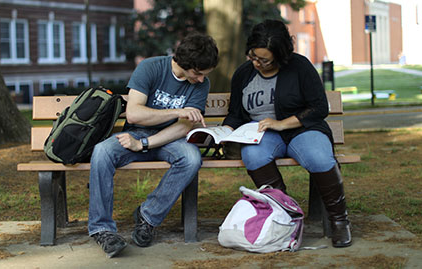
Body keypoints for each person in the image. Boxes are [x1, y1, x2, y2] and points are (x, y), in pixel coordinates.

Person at [222, 19, 352, 248]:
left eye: (264, 60)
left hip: (302, 129)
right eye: (253, 56)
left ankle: (339, 221)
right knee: (254, 156)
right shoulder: (243, 74)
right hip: (262, 134)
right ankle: (284, 215)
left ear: (280, 56)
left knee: (319, 157)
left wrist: (281, 124)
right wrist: (224, 131)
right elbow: (235, 114)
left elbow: (319, 107)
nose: (257, 64)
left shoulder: (299, 67)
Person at [88, 33, 218, 258]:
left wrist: (144, 144)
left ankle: (147, 217)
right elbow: (135, 113)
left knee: (191, 158)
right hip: (134, 133)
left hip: (168, 139)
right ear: (184, 63)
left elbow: (183, 128)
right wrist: (177, 111)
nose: (200, 80)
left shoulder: (201, 83)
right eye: (197, 73)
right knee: (102, 152)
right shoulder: (150, 67)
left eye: (204, 75)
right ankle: (102, 229)